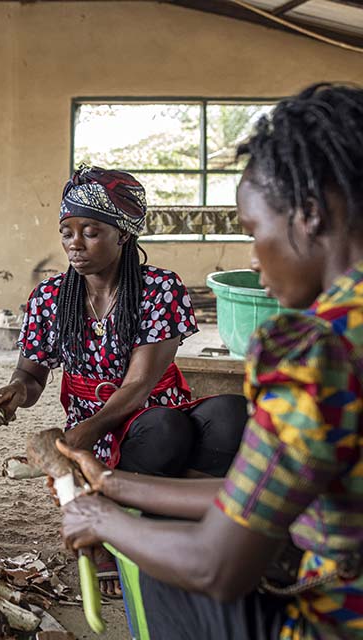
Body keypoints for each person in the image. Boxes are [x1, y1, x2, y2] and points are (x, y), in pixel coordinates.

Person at [58, 83, 363, 639]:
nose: (255, 259)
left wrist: (102, 520)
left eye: (254, 231)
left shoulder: (318, 350)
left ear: (311, 215)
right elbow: (262, 488)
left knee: (163, 570)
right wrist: (115, 485)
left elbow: (215, 565)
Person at [0, 166, 248, 594]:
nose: (74, 242)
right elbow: (32, 373)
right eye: (67, 230)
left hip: (142, 410)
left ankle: (178, 519)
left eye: (89, 230)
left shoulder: (159, 289)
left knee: (230, 414)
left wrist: (75, 438)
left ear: (123, 234)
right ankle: (112, 523)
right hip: (113, 433)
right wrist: (17, 390)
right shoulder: (51, 298)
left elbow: (140, 386)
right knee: (163, 430)